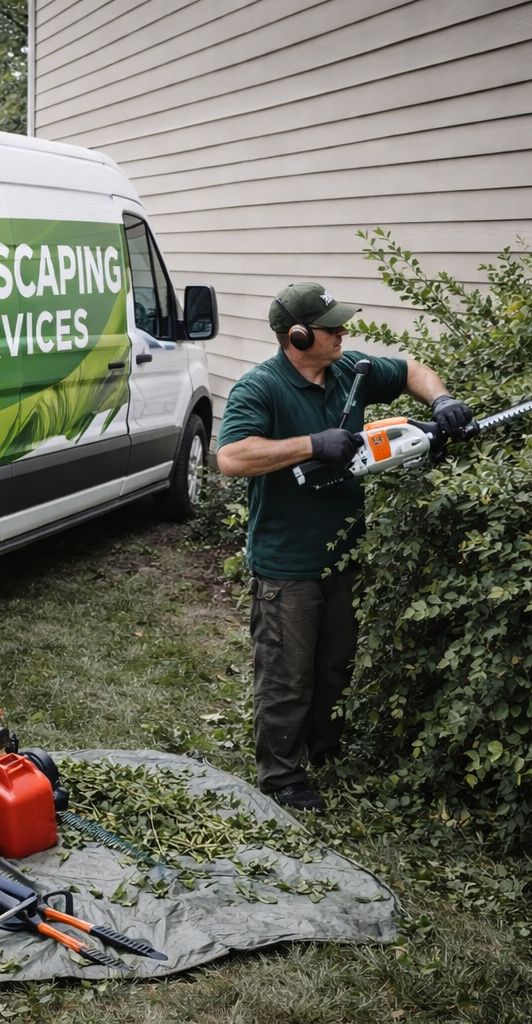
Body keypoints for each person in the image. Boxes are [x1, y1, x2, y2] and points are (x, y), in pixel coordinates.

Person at [215, 282, 473, 811]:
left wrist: (441, 400)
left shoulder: (349, 371)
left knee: (335, 666)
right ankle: (282, 776)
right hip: (287, 561)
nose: (342, 333)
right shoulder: (259, 388)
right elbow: (233, 457)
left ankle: (324, 751)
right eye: (331, 327)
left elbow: (408, 370)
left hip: (344, 554)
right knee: (287, 674)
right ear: (298, 335)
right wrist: (312, 445)